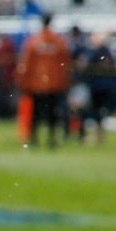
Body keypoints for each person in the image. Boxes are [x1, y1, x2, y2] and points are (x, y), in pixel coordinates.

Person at [18, 15, 73, 149]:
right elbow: (65, 64)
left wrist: (23, 81)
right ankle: (52, 138)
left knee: (35, 113)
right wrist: (65, 81)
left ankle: (33, 139)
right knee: (53, 113)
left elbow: (26, 63)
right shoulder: (58, 41)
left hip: (36, 83)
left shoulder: (33, 41)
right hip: (55, 84)